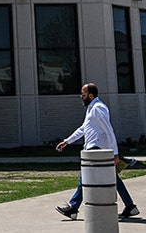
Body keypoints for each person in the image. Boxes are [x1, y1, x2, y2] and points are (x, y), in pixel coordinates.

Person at [54, 83, 140, 221]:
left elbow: (109, 130)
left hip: (96, 148)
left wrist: (115, 153)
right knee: (111, 177)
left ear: (90, 95)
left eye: (83, 95)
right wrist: (67, 141)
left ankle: (73, 208)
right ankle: (130, 206)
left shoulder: (98, 108)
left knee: (85, 176)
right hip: (94, 148)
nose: (81, 97)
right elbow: (83, 128)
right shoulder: (91, 108)